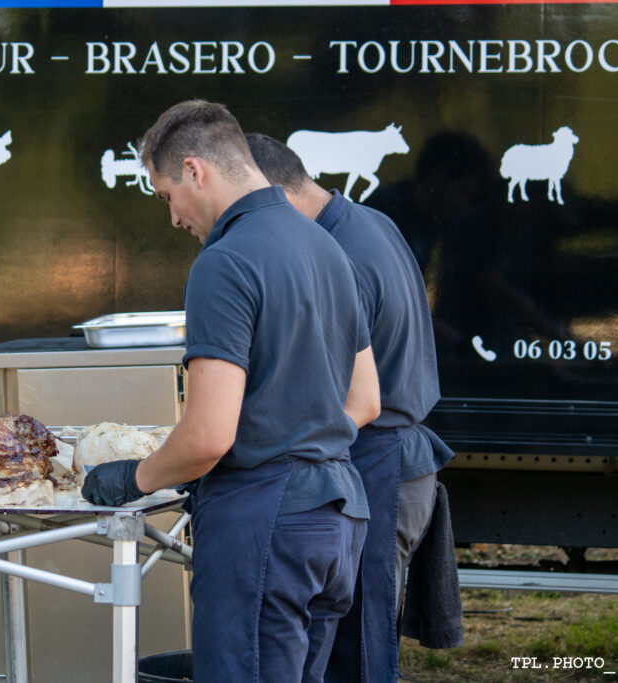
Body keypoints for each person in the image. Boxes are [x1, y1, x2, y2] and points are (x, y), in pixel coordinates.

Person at [81, 100, 381, 683]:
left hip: (263, 526)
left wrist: (135, 478)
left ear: (195, 170)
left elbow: (209, 436)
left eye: (166, 195)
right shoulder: (327, 246)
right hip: (338, 518)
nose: (173, 217)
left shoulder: (225, 261)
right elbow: (365, 398)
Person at [245, 132, 455, 682]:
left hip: (375, 464)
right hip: (392, 460)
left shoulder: (334, 256)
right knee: (355, 645)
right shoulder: (368, 220)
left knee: (357, 655)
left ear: (269, 192)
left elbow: (340, 396)